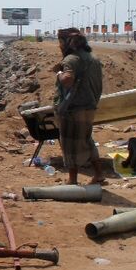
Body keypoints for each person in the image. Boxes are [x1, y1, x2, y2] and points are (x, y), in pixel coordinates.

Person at [53, 27, 104, 185]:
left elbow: (68, 79)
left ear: (67, 43)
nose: (60, 46)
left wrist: (59, 74)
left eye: (60, 42)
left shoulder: (71, 59)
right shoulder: (92, 58)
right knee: (86, 140)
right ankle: (99, 174)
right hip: (90, 106)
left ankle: (72, 179)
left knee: (69, 143)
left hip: (73, 109)